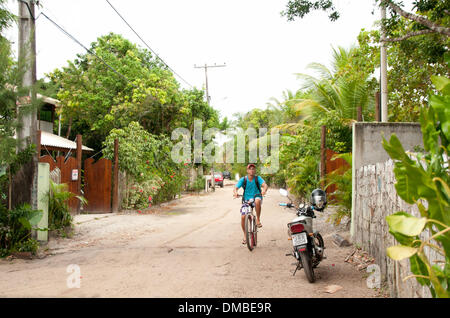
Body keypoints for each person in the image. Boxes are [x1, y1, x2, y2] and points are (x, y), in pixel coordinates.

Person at [233, 164, 268, 244]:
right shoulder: (243, 179)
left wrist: (264, 190)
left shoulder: (258, 178)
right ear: (247, 171)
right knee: (243, 217)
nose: (251, 170)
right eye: (250, 169)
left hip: (257, 197)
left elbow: (265, 185)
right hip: (246, 200)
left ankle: (258, 219)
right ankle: (245, 235)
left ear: (255, 171)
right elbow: (235, 188)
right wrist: (235, 193)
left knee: (257, 201)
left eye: (253, 169)